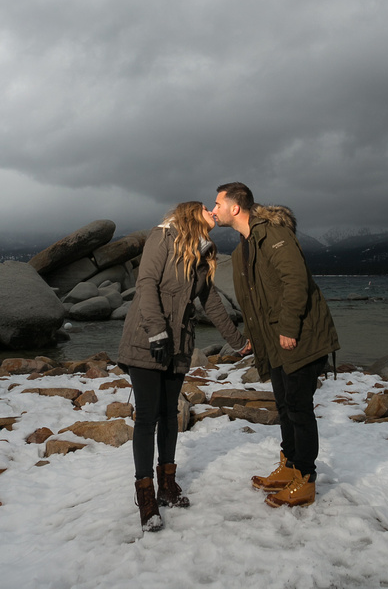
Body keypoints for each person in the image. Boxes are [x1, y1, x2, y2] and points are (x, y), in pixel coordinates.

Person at [118, 201, 248, 532]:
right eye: (207, 206)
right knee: (147, 417)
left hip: (178, 347)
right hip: (147, 338)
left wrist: (237, 341)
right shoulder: (162, 237)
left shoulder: (203, 253)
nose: (213, 209)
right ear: (191, 212)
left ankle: (168, 485)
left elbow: (211, 301)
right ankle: (145, 496)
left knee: (169, 416)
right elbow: (146, 284)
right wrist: (157, 332)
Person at [212, 182, 339, 508]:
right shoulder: (245, 245)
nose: (214, 210)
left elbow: (295, 281)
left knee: (298, 408)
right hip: (275, 340)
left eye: (218, 204)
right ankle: (290, 466)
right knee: (284, 405)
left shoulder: (273, 234)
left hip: (299, 336)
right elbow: (258, 297)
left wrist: (288, 327)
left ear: (235, 207)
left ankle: (305, 481)